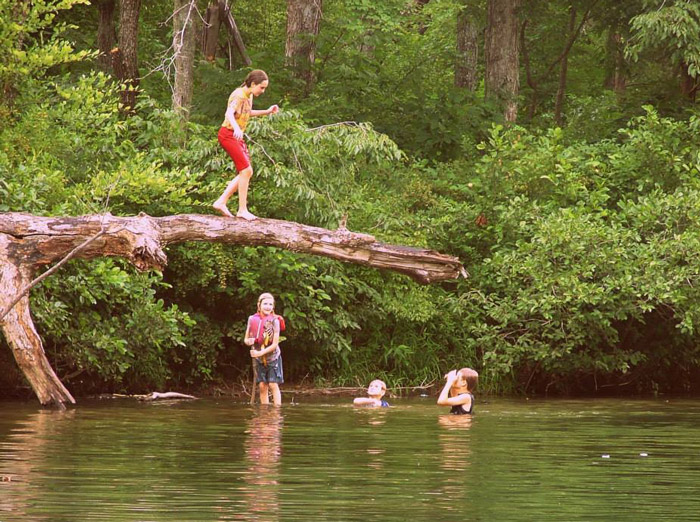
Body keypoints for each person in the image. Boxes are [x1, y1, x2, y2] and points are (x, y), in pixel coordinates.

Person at [214, 69, 279, 221]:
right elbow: (229, 113)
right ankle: (242, 210)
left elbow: (247, 113)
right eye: (261, 87)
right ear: (253, 83)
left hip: (236, 136)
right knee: (246, 170)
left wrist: (267, 111)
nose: (263, 91)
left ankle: (221, 201)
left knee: (246, 172)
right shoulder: (238, 95)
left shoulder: (249, 96)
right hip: (228, 134)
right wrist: (237, 128)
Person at [245, 292, 285, 405]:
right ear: (259, 305)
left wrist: (260, 352)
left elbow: (274, 344)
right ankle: (265, 413)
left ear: (273, 307)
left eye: (270, 304)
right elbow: (246, 339)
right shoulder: (251, 319)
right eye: (265, 304)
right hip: (258, 359)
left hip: (273, 357)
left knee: (272, 384)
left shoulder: (275, 321)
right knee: (262, 385)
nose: (268, 306)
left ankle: (276, 412)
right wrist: (249, 342)